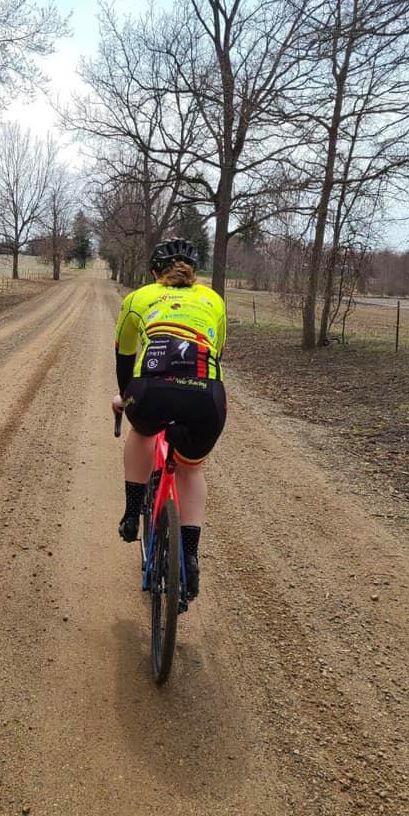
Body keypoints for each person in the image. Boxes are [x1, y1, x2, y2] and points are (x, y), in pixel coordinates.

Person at [112, 238, 226, 602]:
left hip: (152, 391)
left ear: (153, 272)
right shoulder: (213, 300)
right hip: (206, 395)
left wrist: (124, 398)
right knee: (191, 470)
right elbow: (217, 351)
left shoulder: (138, 298)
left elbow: (124, 358)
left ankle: (132, 515)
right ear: (195, 272)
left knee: (143, 432)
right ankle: (189, 557)